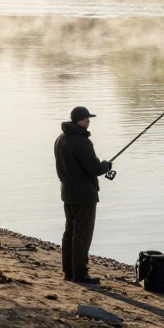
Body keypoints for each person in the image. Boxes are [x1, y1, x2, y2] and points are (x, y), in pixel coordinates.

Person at [55, 106, 113, 285]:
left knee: (69, 232)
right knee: (82, 235)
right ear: (80, 120)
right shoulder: (82, 142)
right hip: (84, 196)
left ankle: (68, 271)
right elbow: (94, 168)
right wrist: (106, 165)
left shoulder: (60, 139)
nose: (89, 122)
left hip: (67, 193)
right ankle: (80, 273)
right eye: (87, 119)